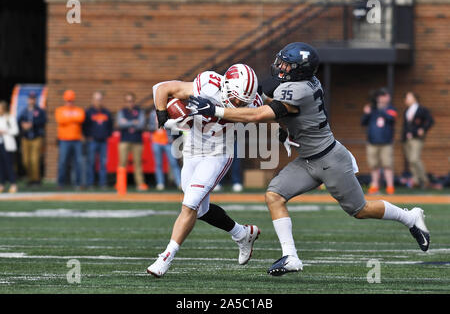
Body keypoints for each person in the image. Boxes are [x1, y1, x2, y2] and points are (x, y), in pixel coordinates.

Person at [188, 42, 430, 276]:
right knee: (274, 195)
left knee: (360, 210)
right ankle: (291, 257)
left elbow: (260, 114)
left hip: (329, 159)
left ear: (299, 70)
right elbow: (272, 100)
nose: (280, 67)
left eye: (286, 65)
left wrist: (216, 110)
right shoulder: (299, 83)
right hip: (307, 159)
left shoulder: (299, 90)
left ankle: (410, 217)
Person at [147, 63, 262, 277]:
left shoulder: (253, 101)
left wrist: (282, 134)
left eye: (243, 101)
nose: (239, 104)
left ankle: (166, 257)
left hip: (218, 153)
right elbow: (161, 88)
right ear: (226, 86)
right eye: (236, 99)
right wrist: (162, 113)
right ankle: (242, 233)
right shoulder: (208, 85)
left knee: (190, 204)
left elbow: (270, 113)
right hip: (192, 148)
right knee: (200, 210)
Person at [361, 88, 397, 195]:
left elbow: (391, 118)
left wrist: (381, 108)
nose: (381, 98)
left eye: (384, 96)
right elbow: (363, 122)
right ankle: (375, 186)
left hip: (386, 143)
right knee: (374, 165)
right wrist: (367, 113)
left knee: (387, 165)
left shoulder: (391, 108)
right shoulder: (372, 109)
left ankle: (390, 187)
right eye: (380, 96)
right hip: (372, 142)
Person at [402, 91, 435, 189]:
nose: (406, 99)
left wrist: (423, 129)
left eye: (408, 97)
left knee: (415, 159)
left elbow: (430, 121)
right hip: (407, 139)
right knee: (410, 161)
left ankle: (424, 180)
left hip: (416, 138)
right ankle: (416, 180)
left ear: (414, 98)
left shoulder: (422, 109)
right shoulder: (406, 110)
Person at [116, 92, 148, 191]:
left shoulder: (139, 111)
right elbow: (120, 124)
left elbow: (141, 124)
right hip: (124, 140)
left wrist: (127, 122)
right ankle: (120, 184)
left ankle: (140, 183)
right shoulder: (121, 111)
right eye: (128, 101)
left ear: (134, 101)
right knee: (122, 162)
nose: (130, 103)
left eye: (131, 101)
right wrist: (133, 122)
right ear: (125, 102)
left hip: (137, 140)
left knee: (138, 163)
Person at [55, 90, 85, 189]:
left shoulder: (78, 110)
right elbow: (60, 120)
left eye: (71, 100)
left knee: (78, 162)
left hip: (77, 140)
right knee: (62, 162)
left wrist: (68, 119)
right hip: (64, 139)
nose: (69, 102)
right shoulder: (60, 110)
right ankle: (61, 183)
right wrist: (73, 119)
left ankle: (77, 183)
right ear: (65, 100)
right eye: (68, 100)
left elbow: (81, 118)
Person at [83, 91, 113, 189]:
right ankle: (90, 183)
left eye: (100, 99)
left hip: (103, 141)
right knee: (91, 162)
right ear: (93, 100)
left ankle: (102, 183)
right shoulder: (88, 112)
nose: (98, 101)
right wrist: (88, 135)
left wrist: (107, 135)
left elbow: (110, 126)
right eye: (96, 99)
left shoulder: (106, 112)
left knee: (103, 163)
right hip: (92, 141)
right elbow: (84, 126)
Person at [148, 106, 181, 190]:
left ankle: (179, 182)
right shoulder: (152, 113)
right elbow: (149, 126)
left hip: (168, 141)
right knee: (158, 164)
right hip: (156, 141)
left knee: (174, 163)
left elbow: (174, 126)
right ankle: (160, 183)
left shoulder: (169, 111)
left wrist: (174, 138)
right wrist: (156, 126)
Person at [17, 91, 47, 186]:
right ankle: (30, 178)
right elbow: (19, 121)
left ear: (35, 100)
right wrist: (23, 125)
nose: (31, 100)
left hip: (36, 137)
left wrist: (32, 124)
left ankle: (36, 180)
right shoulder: (24, 111)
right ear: (28, 100)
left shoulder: (40, 110)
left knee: (35, 159)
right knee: (26, 160)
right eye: (30, 98)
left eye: (33, 98)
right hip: (26, 138)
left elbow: (44, 121)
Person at [0, 101, 19, 193]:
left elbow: (15, 131)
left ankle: (13, 184)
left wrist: (4, 131)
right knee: (1, 166)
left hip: (7, 145)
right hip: (0, 143)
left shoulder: (10, 118)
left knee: (9, 165)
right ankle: (1, 184)